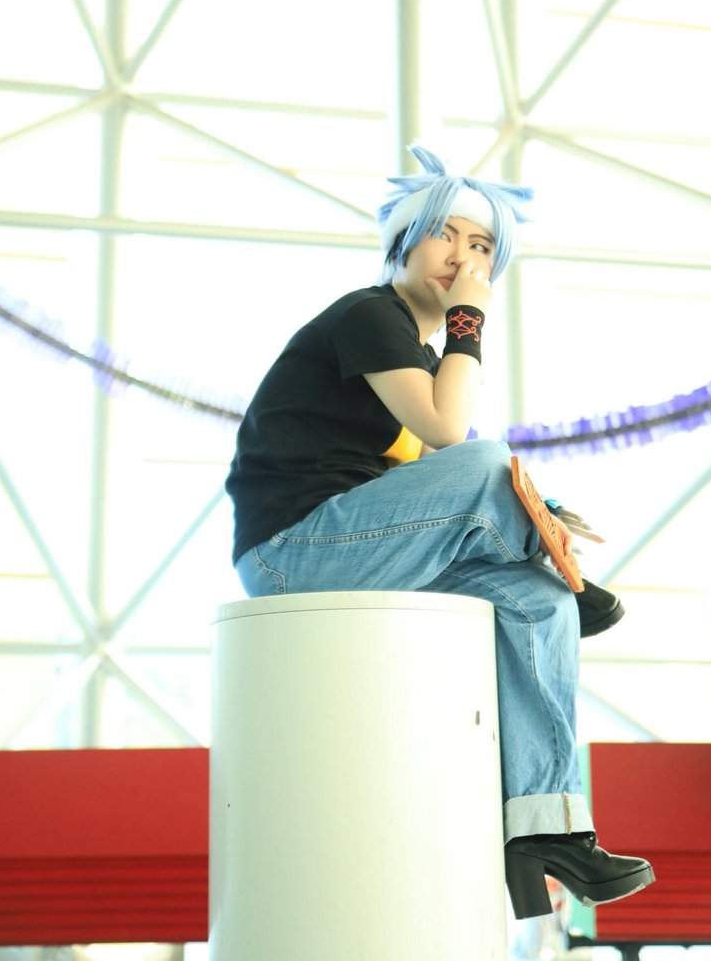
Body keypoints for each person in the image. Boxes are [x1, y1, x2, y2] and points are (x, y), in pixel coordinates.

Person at [225, 143, 655, 919]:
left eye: (482, 246)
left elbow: (435, 470)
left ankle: (545, 830)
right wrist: (469, 320)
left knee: (539, 603)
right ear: (404, 237)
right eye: (445, 235)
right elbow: (449, 432)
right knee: (486, 460)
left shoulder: (418, 353)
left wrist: (541, 510)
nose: (461, 257)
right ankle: (554, 560)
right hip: (293, 551)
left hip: (361, 546)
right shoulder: (370, 315)